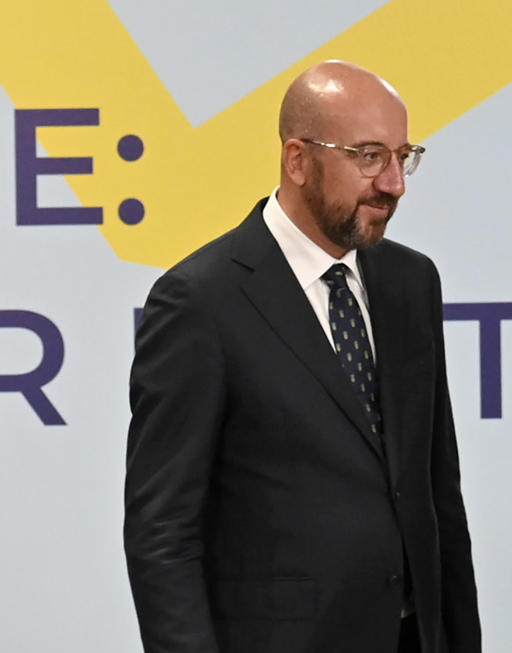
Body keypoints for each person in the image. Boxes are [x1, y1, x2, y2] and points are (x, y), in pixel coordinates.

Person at [124, 61, 481, 653]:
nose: (394, 183)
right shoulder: (200, 300)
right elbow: (163, 531)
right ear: (297, 160)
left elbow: (438, 490)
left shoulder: (411, 281)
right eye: (369, 156)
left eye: (403, 155)